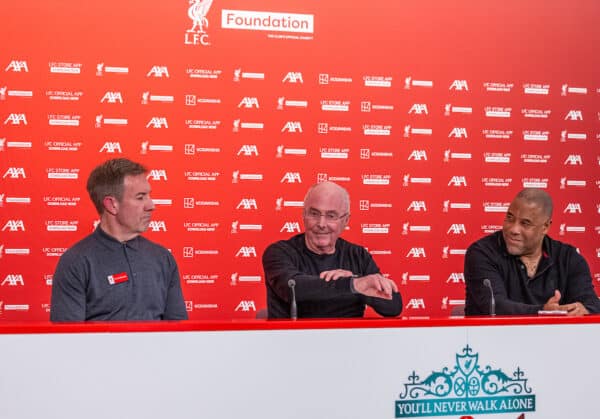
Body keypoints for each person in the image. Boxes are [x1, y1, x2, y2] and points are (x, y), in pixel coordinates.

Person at [50, 158, 188, 321]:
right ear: (112, 205)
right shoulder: (76, 262)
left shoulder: (163, 258)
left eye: (149, 195)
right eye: (140, 197)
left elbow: (179, 332)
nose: (151, 205)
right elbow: (66, 340)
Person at [262, 181, 402, 318]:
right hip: (292, 339)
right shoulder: (279, 252)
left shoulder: (358, 255)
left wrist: (357, 282)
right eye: (314, 214)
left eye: (331, 216)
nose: (321, 224)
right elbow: (292, 287)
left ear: (345, 220)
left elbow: (393, 306)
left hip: (350, 339)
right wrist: (353, 285)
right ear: (303, 215)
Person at [464, 188, 600, 316]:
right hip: (493, 339)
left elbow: (592, 304)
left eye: (525, 223)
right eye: (510, 218)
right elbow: (494, 306)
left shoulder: (568, 258)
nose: (513, 229)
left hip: (555, 340)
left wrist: (583, 310)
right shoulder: (482, 253)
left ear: (545, 227)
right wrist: (543, 312)